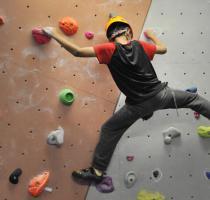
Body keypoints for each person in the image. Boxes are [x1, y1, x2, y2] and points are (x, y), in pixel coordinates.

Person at [43, 14, 210, 183]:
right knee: (193, 100)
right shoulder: (140, 45)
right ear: (129, 33)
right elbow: (163, 48)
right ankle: (148, 112)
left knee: (110, 129)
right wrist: (151, 36)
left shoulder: (108, 49)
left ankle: (97, 171)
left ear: (111, 37)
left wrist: (53, 33)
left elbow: (78, 51)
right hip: (162, 95)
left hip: (137, 105)